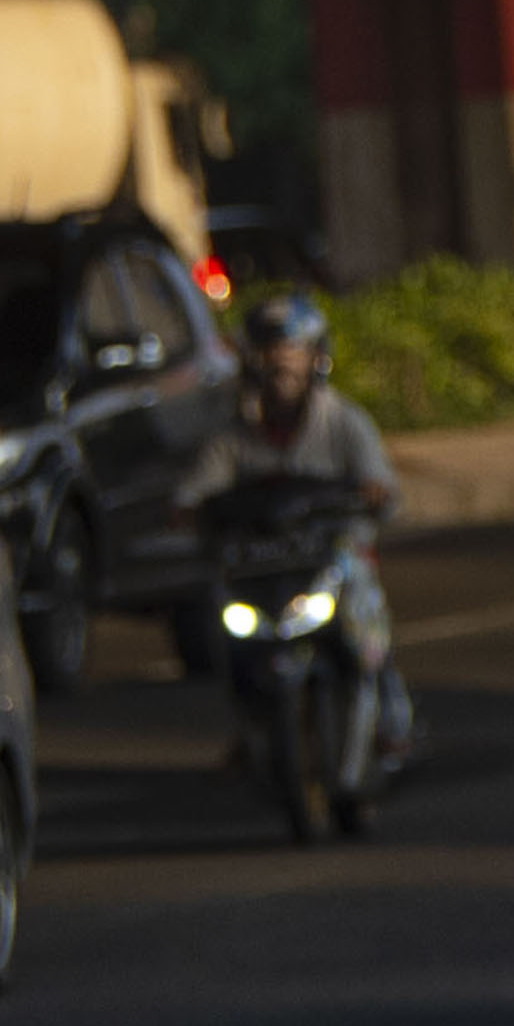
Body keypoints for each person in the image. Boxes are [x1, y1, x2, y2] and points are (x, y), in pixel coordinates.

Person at [178, 291, 416, 770]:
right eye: (269, 357)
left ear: (315, 359)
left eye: (292, 356)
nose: (280, 369)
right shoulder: (234, 434)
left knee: (364, 630)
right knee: (231, 640)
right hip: (263, 567)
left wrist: (371, 494)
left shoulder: (344, 422)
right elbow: (194, 491)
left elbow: (384, 489)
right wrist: (188, 510)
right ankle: (251, 726)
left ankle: (392, 721)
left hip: (332, 559)